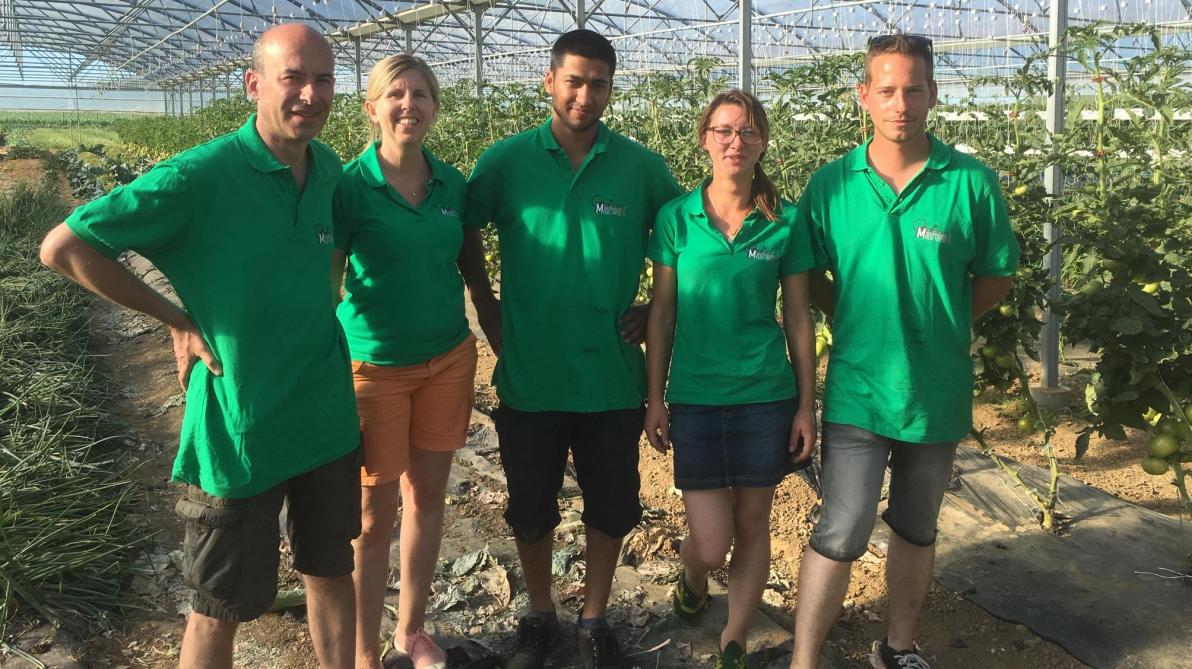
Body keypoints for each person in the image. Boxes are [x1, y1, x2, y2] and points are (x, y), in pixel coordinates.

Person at [38, 24, 360, 669]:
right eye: (292, 77)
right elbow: (65, 247)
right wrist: (175, 318)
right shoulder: (200, 176)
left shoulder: (327, 168)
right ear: (254, 85)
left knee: (330, 573)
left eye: (323, 79)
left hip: (325, 418)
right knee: (220, 607)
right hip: (240, 430)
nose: (310, 94)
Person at [789, 34, 1019, 669]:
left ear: (933, 95)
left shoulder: (970, 182)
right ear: (863, 96)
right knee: (843, 528)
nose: (901, 102)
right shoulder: (831, 185)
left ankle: (898, 647)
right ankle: (804, 660)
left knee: (918, 527)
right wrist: (852, 313)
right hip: (859, 389)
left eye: (913, 89)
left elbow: (996, 272)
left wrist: (942, 321)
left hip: (935, 391)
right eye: (886, 89)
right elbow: (804, 270)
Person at [463, 28, 682, 669]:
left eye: (599, 84)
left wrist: (658, 305)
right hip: (531, 374)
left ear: (612, 89)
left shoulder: (639, 166)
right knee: (530, 505)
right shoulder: (505, 161)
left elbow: (685, 234)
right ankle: (539, 615)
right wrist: (483, 298)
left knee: (611, 504)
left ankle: (594, 617)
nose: (586, 95)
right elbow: (463, 223)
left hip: (612, 377)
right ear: (549, 82)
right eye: (575, 81)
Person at [330, 54, 498, 669]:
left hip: (448, 359)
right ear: (372, 108)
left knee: (429, 497)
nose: (409, 104)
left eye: (421, 93)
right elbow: (326, 281)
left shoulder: (454, 186)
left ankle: (411, 632)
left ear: (435, 107)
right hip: (373, 366)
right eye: (395, 94)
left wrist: (496, 324)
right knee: (373, 516)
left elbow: (471, 266)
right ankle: (360, 652)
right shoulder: (349, 187)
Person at [643, 89, 818, 669]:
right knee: (713, 541)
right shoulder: (676, 218)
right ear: (705, 139)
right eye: (723, 131)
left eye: (746, 131)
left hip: (765, 396)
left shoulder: (785, 222)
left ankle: (735, 638)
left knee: (753, 523)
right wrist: (655, 397)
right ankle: (694, 576)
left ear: (763, 141)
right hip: (694, 396)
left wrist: (804, 406)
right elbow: (662, 313)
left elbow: (797, 317)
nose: (734, 142)